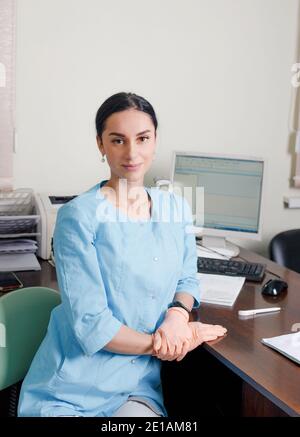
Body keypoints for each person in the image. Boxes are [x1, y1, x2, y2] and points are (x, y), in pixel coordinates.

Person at [18, 92, 226, 417]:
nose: (132, 153)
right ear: (101, 145)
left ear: (155, 140)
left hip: (136, 388)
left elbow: (187, 279)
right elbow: (92, 326)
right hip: (73, 390)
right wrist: (168, 343)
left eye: (142, 138)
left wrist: (176, 318)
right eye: (118, 140)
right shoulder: (79, 216)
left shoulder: (176, 208)